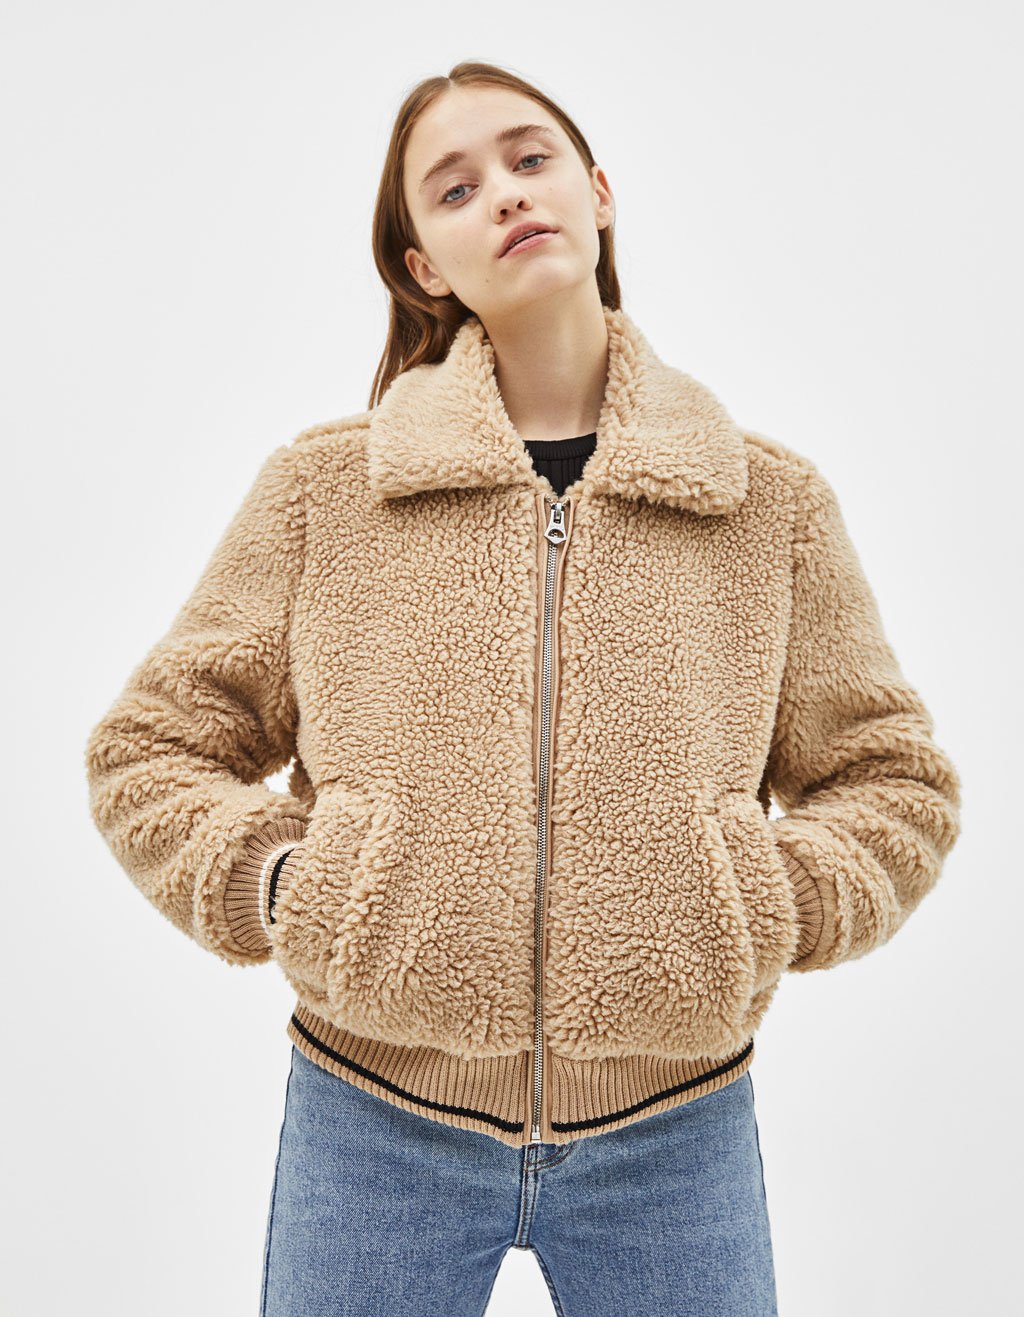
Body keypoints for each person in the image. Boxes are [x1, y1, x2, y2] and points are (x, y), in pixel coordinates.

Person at [84, 60, 962, 1317]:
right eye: (454, 189)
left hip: (676, 1133)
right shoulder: (328, 492)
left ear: (597, 194)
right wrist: (287, 886)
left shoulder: (765, 505)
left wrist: (758, 906)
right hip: (372, 1123)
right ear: (424, 267)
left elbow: (892, 782)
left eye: (529, 157)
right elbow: (153, 747)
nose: (503, 192)